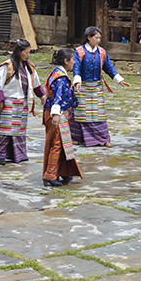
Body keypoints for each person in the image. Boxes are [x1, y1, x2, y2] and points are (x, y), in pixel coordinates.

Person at [71, 26, 131, 148]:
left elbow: (109, 67)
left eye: (99, 38)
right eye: (96, 37)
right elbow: (76, 67)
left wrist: (119, 80)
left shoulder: (102, 52)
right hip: (82, 87)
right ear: (89, 37)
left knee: (99, 114)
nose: (98, 40)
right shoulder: (79, 52)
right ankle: (77, 137)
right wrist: (77, 81)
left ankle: (103, 138)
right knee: (81, 113)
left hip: (96, 86)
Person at [0, 39, 45, 165]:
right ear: (18, 52)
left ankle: (19, 155)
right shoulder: (8, 66)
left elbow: (36, 83)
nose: (27, 55)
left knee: (20, 130)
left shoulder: (30, 67)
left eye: (29, 52)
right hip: (9, 102)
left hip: (22, 103)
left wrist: (42, 97)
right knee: (6, 130)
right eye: (25, 52)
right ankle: (2, 155)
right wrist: (0, 101)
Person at [42, 49, 83, 187]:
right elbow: (58, 97)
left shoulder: (57, 73)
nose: (74, 62)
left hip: (56, 113)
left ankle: (63, 172)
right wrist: (56, 115)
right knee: (57, 144)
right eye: (72, 60)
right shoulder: (61, 78)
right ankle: (50, 175)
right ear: (66, 61)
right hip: (57, 114)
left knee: (62, 143)